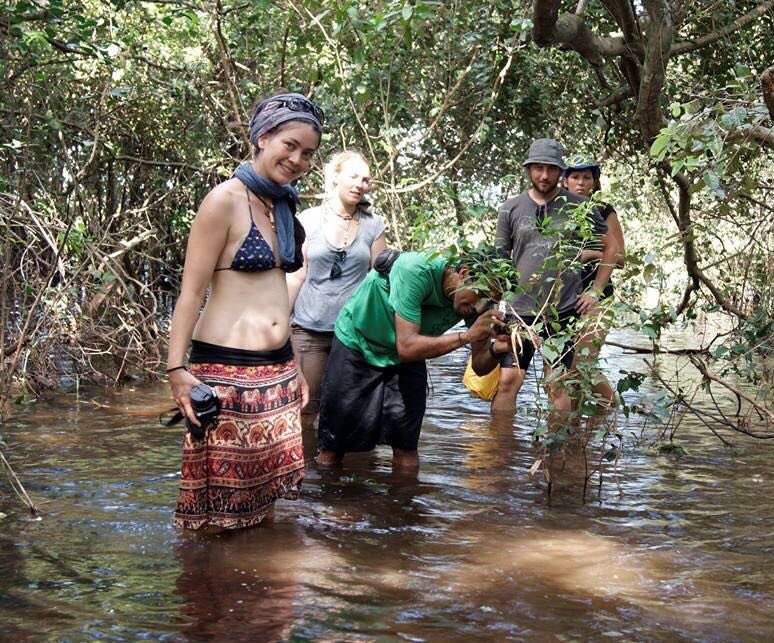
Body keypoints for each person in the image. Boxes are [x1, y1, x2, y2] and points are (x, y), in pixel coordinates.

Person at [165, 92, 323, 531]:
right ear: (262, 137)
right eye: (288, 145)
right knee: (215, 511)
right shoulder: (224, 201)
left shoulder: (284, 206)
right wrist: (177, 369)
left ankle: (256, 598)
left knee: (262, 506)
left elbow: (276, 293)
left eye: (307, 153)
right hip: (225, 371)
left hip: (275, 372)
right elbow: (190, 293)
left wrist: (293, 365)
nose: (296, 159)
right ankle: (204, 593)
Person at [316, 246, 516, 470]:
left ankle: (404, 503)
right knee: (334, 443)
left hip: (408, 352)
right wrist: (466, 336)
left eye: (489, 301)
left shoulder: (478, 307)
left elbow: (479, 367)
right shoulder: (416, 269)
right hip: (360, 341)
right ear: (464, 273)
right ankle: (328, 500)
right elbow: (407, 347)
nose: (480, 306)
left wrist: (498, 350)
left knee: (406, 444)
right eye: (480, 295)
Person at [493, 138, 607, 415]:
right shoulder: (511, 207)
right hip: (518, 313)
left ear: (560, 173)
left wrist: (595, 291)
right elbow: (499, 259)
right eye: (538, 168)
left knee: (557, 385)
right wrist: (496, 306)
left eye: (551, 169)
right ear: (529, 169)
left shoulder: (580, 207)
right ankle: (499, 454)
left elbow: (609, 250)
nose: (544, 175)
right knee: (508, 382)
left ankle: (559, 456)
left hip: (562, 312)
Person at [287, 151, 386, 454]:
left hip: (352, 335)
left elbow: (381, 280)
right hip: (308, 331)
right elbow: (294, 276)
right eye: (353, 177)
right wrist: (279, 323)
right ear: (335, 178)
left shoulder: (374, 225)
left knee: (351, 411)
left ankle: (341, 483)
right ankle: (303, 479)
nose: (360, 184)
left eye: (366, 179)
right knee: (305, 410)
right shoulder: (307, 220)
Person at [561, 154, 625, 406]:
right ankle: (574, 435)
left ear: (594, 182)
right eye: (575, 177)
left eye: (586, 177)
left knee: (582, 365)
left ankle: (611, 412)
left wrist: (592, 254)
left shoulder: (603, 211)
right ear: (565, 181)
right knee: (562, 371)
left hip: (597, 296)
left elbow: (620, 258)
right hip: (562, 299)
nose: (580, 183)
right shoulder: (556, 209)